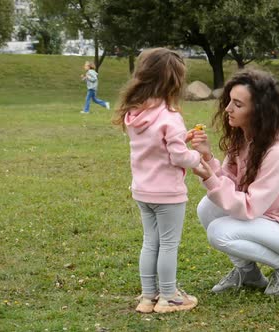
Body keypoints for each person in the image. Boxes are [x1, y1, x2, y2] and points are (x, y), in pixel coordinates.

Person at [190, 69, 279, 296]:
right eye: (229, 101)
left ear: (258, 111)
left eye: (238, 104)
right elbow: (231, 185)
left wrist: (209, 178)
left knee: (219, 231)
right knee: (207, 207)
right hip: (267, 219)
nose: (227, 109)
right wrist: (208, 159)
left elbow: (249, 207)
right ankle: (248, 274)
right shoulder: (245, 138)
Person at [112, 48, 200, 313]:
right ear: (174, 82)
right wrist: (196, 156)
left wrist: (180, 140)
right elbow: (178, 158)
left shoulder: (134, 114)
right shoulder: (170, 117)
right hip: (167, 195)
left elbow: (155, 148)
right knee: (169, 244)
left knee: (151, 242)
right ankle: (169, 296)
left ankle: (148, 297)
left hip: (143, 191)